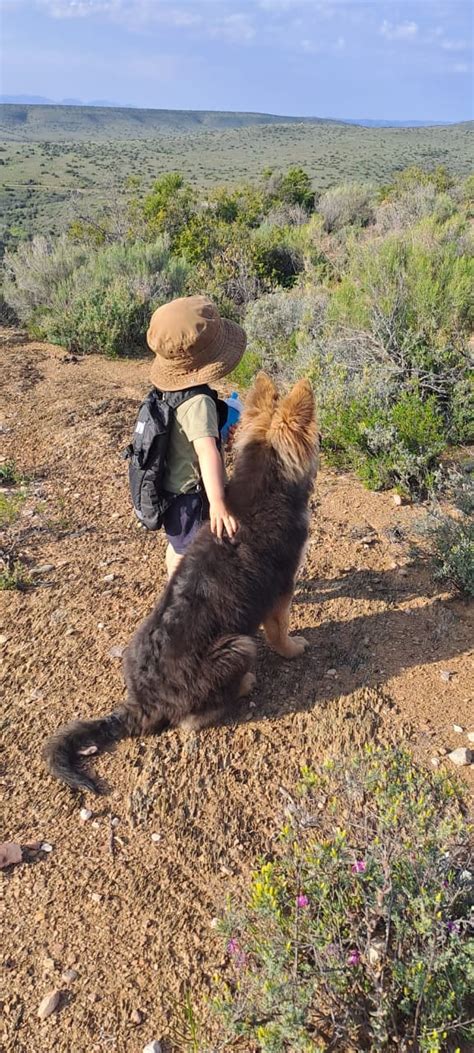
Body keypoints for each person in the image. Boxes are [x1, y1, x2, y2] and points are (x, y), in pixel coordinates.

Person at [146, 294, 247, 579]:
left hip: (172, 488)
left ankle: (174, 585)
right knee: (189, 550)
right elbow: (206, 452)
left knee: (178, 545)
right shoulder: (198, 402)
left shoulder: (169, 392)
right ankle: (184, 595)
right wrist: (218, 502)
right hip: (191, 495)